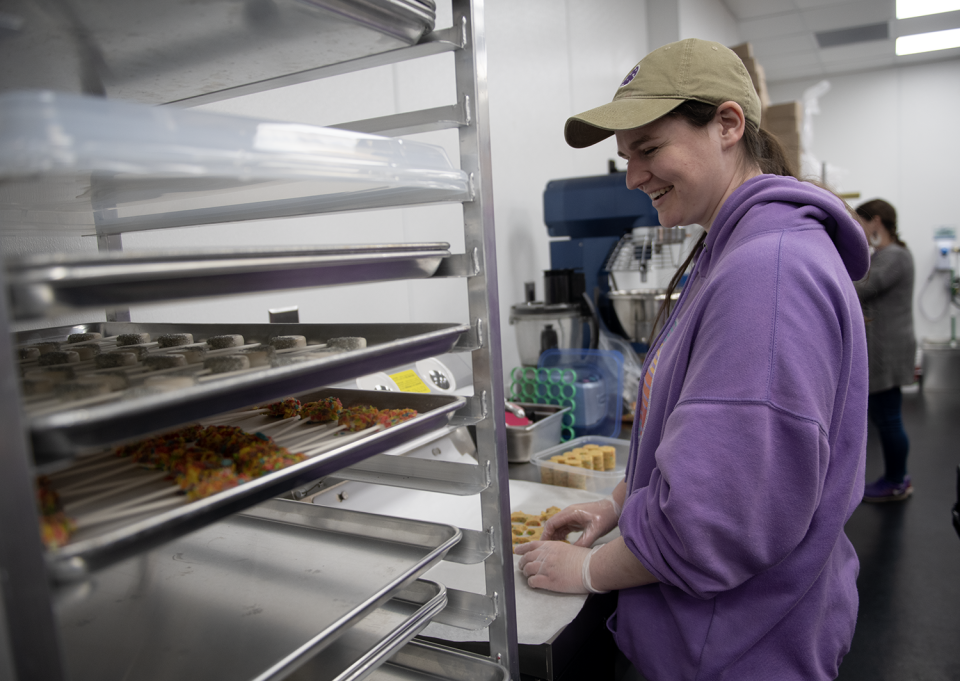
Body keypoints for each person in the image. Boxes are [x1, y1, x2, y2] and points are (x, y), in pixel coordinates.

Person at [514, 38, 870, 681]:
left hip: (737, 649)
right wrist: (619, 502)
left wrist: (591, 569)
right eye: (625, 157)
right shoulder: (732, 252)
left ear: (729, 124)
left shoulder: (770, 274)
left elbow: (718, 521)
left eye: (649, 149)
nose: (633, 176)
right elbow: (701, 441)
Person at [854, 199, 916, 502]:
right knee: (885, 415)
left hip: (888, 349)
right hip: (884, 347)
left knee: (889, 417)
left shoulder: (894, 256)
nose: (860, 230)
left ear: (876, 221)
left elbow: (864, 285)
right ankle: (897, 478)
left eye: (861, 223)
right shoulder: (884, 254)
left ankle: (896, 481)